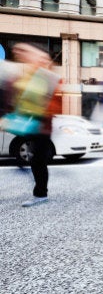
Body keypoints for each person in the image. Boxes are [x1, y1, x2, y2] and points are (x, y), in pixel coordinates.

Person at [2, 43, 61, 207]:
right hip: (31, 123)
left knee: (38, 160)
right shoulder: (30, 75)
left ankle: (41, 193)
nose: (19, 54)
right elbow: (19, 98)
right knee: (36, 159)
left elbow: (51, 103)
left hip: (41, 125)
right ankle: (37, 186)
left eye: (23, 52)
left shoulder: (47, 76)